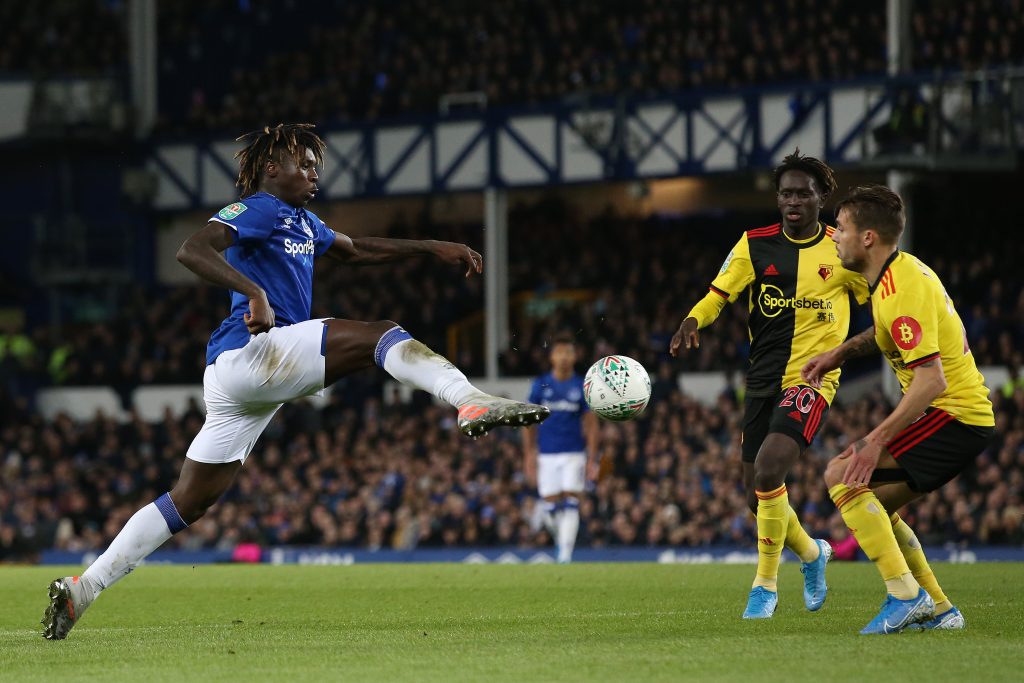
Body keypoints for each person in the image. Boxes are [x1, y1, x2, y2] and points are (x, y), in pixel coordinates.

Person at [41, 123, 550, 640]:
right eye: (304, 165)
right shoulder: (260, 208)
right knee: (382, 335)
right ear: (270, 169)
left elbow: (355, 250)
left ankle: (84, 588)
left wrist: (428, 247)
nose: (313, 175)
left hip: (243, 384)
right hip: (253, 353)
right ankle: (467, 398)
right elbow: (192, 250)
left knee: (187, 501)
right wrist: (253, 291)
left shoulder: (305, 222)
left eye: (316, 167)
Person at [669, 150, 868, 619]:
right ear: (777, 199)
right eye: (786, 193)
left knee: (769, 469)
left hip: (811, 379)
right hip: (761, 380)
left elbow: (878, 300)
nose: (793, 200)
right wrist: (692, 320)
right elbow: (719, 294)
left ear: (822, 197)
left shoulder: (843, 247)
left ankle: (764, 585)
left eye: (803, 192)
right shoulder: (753, 243)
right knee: (755, 496)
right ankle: (814, 554)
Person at [802, 185, 994, 634]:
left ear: (868, 237)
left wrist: (874, 443)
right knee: (875, 508)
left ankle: (906, 596)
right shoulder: (897, 276)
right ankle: (942, 611)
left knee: (839, 473)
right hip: (957, 416)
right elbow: (883, 333)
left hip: (954, 415)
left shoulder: (901, 288)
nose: (834, 236)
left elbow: (932, 380)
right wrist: (838, 354)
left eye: (842, 228)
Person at [522, 333, 599, 563]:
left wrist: (592, 458)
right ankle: (561, 543)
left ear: (574, 357)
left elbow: (592, 425)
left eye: (568, 352)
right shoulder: (540, 385)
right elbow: (529, 422)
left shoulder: (581, 386)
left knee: (572, 501)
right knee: (550, 508)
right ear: (552, 357)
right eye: (559, 353)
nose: (564, 357)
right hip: (546, 454)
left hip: (574, 453)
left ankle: (564, 556)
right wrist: (528, 455)